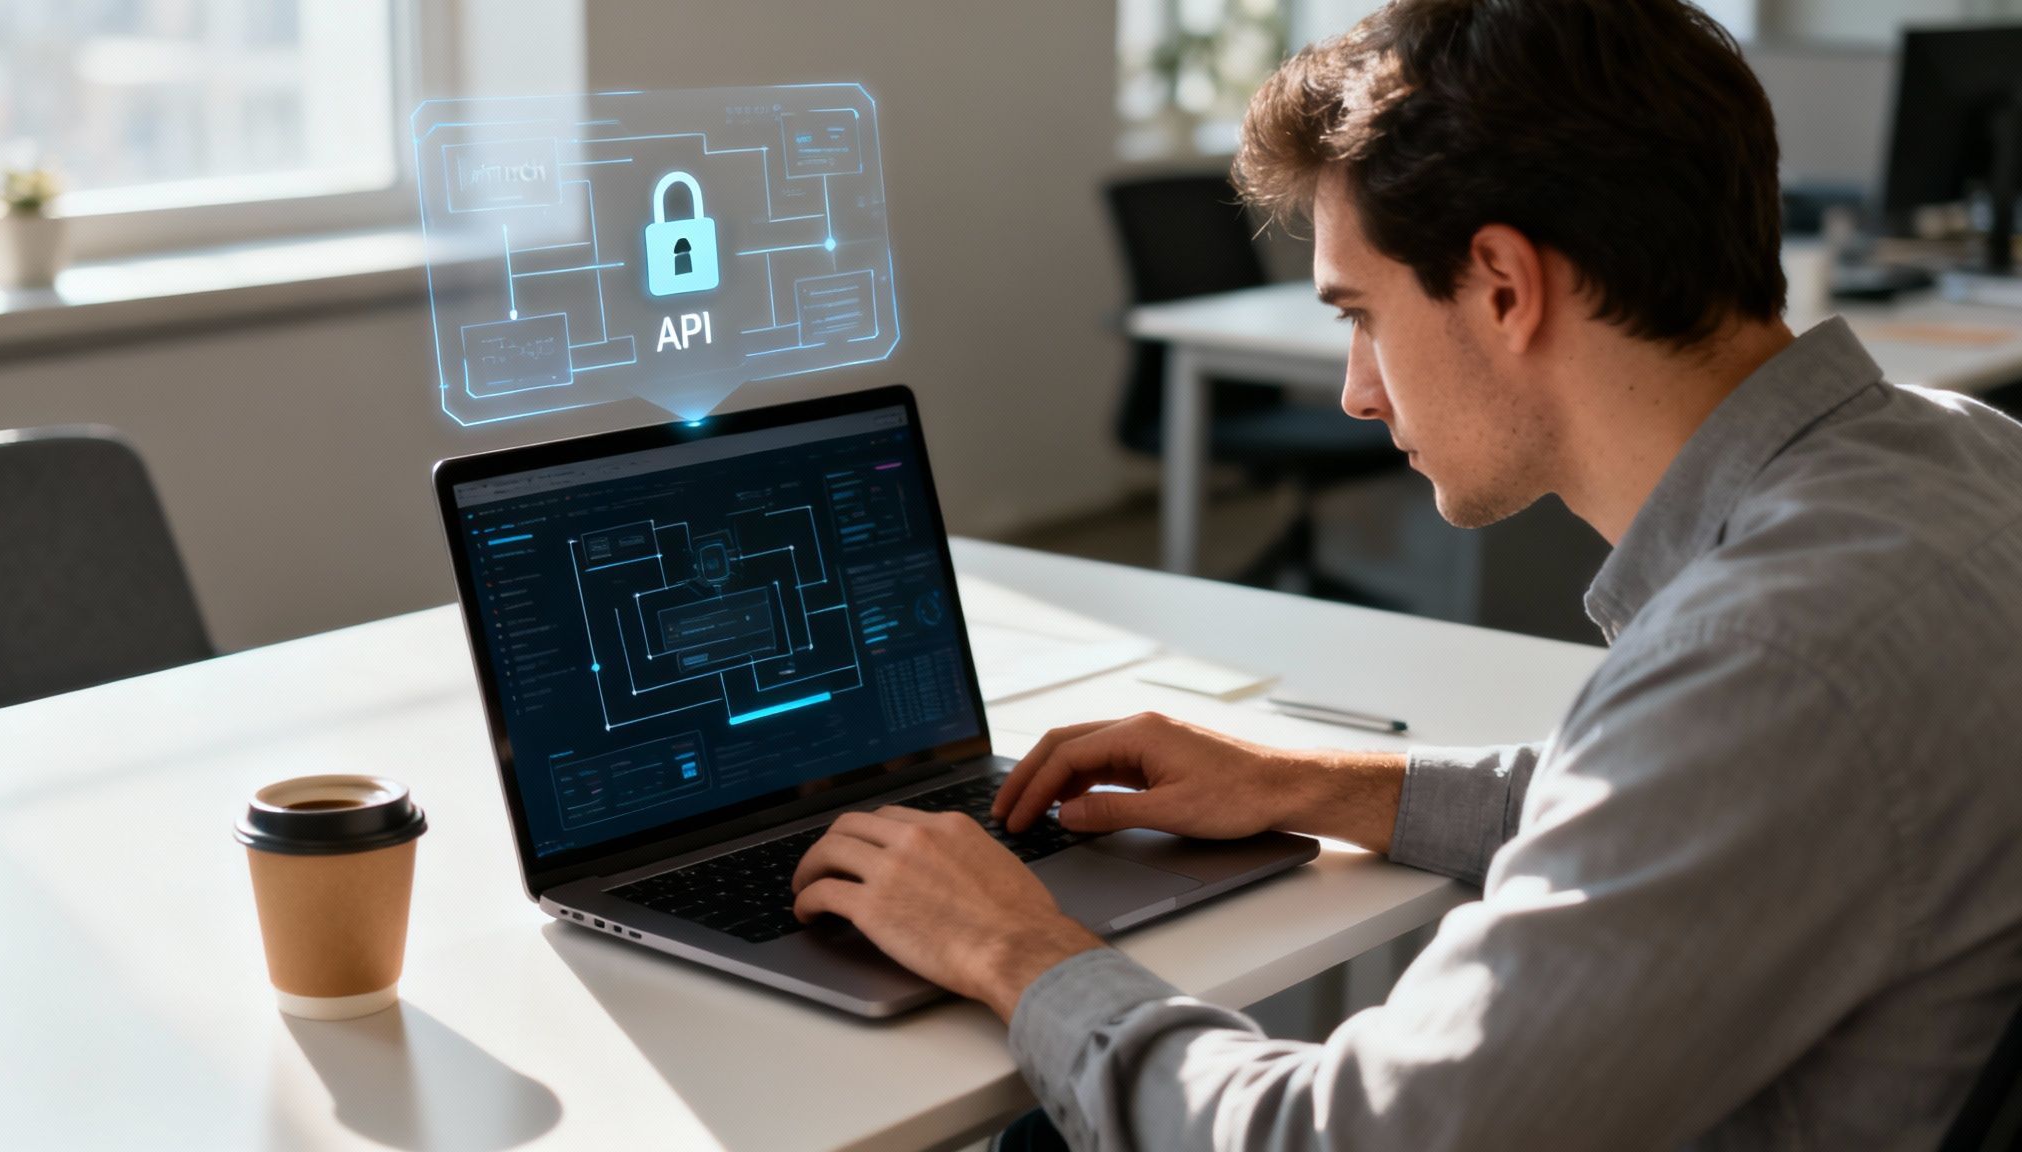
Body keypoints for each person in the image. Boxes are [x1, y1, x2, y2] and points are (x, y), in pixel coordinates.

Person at [790, 0, 2022, 1146]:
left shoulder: (1763, 662)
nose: (1354, 390)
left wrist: (1014, 950)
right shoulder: (1962, 456)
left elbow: (1349, 1137)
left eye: (1359, 313)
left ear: (1500, 286)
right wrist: (1306, 782)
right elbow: (1680, 796)